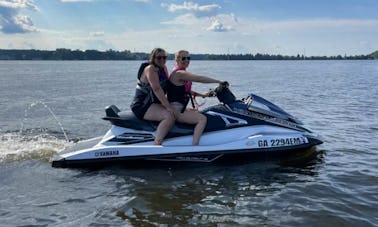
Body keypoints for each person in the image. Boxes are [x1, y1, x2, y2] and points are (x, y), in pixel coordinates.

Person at [168, 50, 223, 145]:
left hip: (180, 108)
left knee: (202, 112)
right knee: (202, 119)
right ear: (177, 60)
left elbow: (184, 91)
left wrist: (202, 95)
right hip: (176, 111)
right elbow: (199, 78)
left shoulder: (180, 72)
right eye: (183, 58)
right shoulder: (179, 73)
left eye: (188, 58)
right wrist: (219, 81)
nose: (186, 60)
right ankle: (195, 145)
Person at [130, 48, 176, 145]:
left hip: (153, 104)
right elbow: (157, 89)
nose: (162, 60)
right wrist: (168, 107)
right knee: (169, 116)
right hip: (142, 105)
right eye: (159, 57)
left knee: (177, 110)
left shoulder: (163, 68)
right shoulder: (150, 69)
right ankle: (157, 143)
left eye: (165, 57)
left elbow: (169, 86)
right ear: (153, 58)